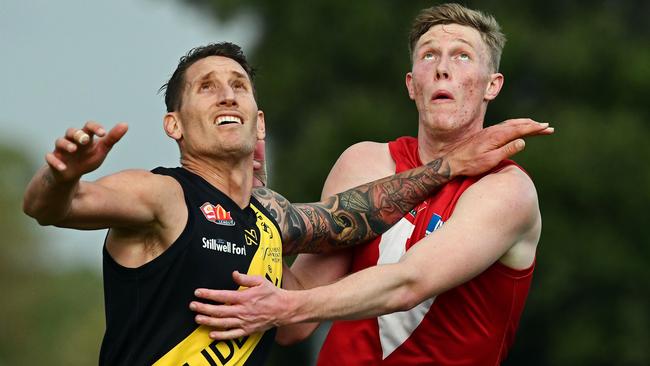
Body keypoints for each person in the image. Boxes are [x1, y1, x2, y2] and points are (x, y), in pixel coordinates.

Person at [22, 41, 549, 365]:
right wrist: (61, 178)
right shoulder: (164, 192)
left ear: (258, 118)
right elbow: (51, 208)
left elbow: (346, 229)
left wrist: (450, 168)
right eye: (207, 88)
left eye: (239, 85)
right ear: (173, 125)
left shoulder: (269, 224)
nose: (227, 95)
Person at [190, 4, 550, 365]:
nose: (442, 69)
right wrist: (247, 201)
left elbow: (410, 282)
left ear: (492, 85)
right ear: (412, 84)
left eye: (461, 56)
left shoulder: (507, 189)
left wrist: (284, 306)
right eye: (428, 55)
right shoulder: (364, 163)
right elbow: (293, 326)